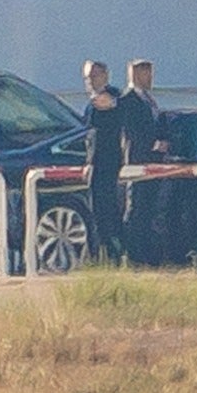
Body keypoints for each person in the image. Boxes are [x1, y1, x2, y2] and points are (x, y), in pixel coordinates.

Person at [117, 59, 170, 264]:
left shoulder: (150, 100)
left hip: (154, 163)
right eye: (146, 73)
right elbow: (132, 132)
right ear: (135, 74)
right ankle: (132, 254)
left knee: (148, 207)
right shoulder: (128, 100)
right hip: (138, 161)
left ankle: (147, 254)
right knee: (136, 207)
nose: (150, 78)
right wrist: (152, 144)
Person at [81, 60, 124, 262]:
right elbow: (89, 136)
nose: (90, 81)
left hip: (110, 163)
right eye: (88, 77)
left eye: (94, 76)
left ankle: (115, 252)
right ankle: (99, 253)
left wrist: (113, 104)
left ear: (105, 76)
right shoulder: (91, 104)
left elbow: (126, 112)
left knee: (109, 210)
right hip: (94, 165)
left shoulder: (115, 97)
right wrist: (88, 162)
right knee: (95, 211)